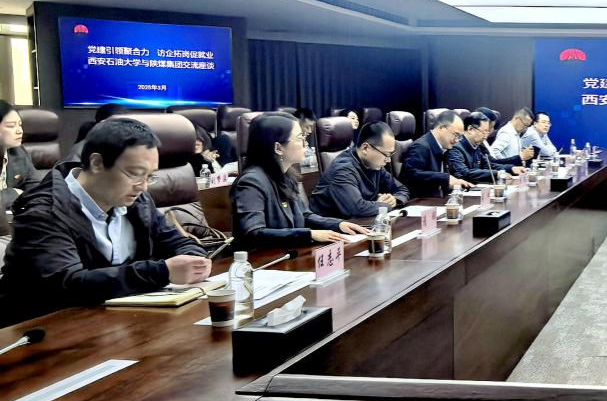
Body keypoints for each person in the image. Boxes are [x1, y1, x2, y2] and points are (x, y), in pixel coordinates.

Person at [0, 118, 211, 326]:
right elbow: (68, 285)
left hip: (117, 322)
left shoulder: (136, 200)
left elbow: (175, 241)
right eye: (134, 174)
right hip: (44, 330)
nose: (143, 187)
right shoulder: (45, 212)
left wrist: (194, 259)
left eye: (149, 177)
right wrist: (161, 272)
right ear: (97, 163)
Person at [231, 113, 368, 250]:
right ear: (278, 148)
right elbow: (253, 234)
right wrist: (309, 234)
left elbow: (304, 215)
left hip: (288, 254)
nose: (306, 143)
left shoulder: (286, 175)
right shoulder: (251, 182)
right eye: (300, 138)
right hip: (261, 259)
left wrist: (337, 225)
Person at [310, 122, 411, 218]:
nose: (388, 160)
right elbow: (358, 209)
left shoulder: (375, 165)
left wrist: (394, 200)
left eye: (391, 154)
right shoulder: (343, 170)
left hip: (360, 222)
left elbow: (402, 189)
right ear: (365, 148)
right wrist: (384, 205)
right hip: (329, 227)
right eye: (386, 154)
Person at [400, 110, 474, 198]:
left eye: (459, 137)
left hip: (439, 199)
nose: (457, 140)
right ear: (441, 128)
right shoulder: (421, 146)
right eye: (456, 135)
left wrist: (458, 181)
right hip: (422, 201)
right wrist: (445, 179)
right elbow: (410, 175)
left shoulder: (444, 147)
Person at [447, 112, 526, 183]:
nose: (486, 136)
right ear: (470, 129)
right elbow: (464, 173)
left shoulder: (476, 146)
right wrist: (496, 174)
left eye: (487, 132)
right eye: (483, 132)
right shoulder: (456, 148)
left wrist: (511, 169)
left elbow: (488, 165)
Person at [0, 100, 38, 211]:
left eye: (20, 125)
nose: (20, 131)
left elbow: (36, 187)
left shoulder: (18, 152)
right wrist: (14, 193)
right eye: (11, 126)